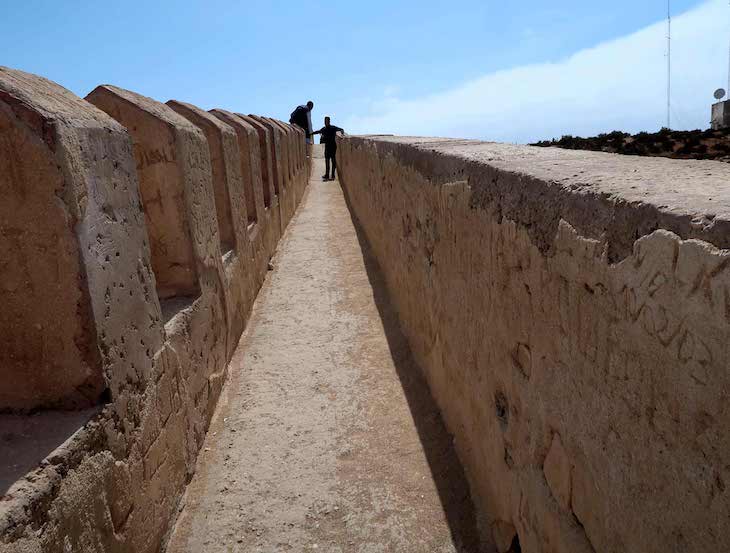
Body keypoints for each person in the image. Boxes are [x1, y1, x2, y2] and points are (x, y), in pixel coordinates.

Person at [310, 117, 344, 181]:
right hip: (327, 147)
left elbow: (340, 129)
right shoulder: (324, 129)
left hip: (333, 146)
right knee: (327, 161)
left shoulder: (333, 128)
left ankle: (333, 175)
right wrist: (311, 133)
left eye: (327, 121)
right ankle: (327, 175)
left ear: (329, 121)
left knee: (333, 161)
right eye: (325, 121)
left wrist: (342, 132)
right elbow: (318, 132)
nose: (326, 122)